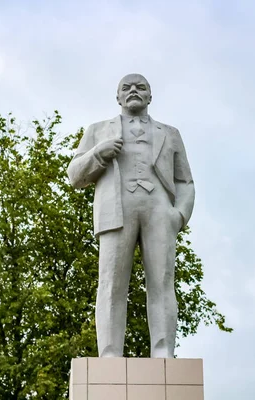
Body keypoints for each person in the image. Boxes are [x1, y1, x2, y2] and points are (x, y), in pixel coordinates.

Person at [67, 73, 195, 358]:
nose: (134, 91)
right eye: (127, 87)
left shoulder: (170, 133)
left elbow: (185, 181)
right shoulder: (98, 130)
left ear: (150, 96)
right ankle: (110, 353)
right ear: (118, 97)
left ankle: (163, 351)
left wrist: (179, 216)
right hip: (115, 210)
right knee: (111, 283)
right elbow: (75, 176)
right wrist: (99, 153)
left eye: (141, 87)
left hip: (159, 210)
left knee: (162, 282)